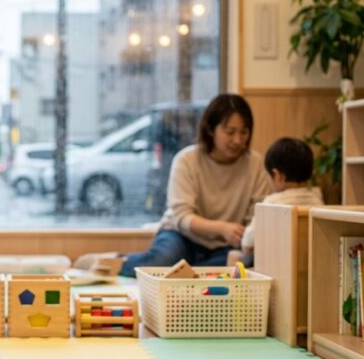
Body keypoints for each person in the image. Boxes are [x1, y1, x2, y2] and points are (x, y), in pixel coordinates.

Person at [111, 94, 273, 276]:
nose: (237, 140)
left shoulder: (255, 164)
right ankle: (111, 262)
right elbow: (181, 216)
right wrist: (222, 228)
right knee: (160, 262)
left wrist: (246, 237)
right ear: (211, 129)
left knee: (235, 267)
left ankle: (190, 269)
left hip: (227, 245)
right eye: (230, 132)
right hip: (181, 236)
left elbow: (259, 215)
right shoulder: (187, 160)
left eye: (244, 132)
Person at [233, 137, 325, 267]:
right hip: (310, 265)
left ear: (277, 175)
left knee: (235, 257)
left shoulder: (271, 203)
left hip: (277, 267)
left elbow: (248, 241)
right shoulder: (317, 201)